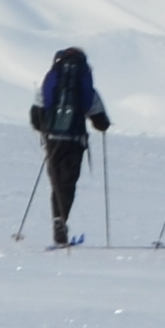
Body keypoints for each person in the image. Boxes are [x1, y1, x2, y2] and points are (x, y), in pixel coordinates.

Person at [27, 46, 108, 247]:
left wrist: (45, 129)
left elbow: (36, 115)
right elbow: (99, 119)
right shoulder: (84, 83)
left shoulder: (50, 81)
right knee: (68, 183)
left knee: (56, 182)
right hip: (75, 139)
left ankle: (57, 218)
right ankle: (61, 219)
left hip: (53, 139)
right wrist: (102, 124)